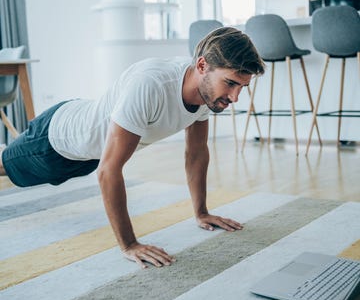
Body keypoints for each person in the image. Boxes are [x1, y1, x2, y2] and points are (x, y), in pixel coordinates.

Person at [0, 27, 265, 269]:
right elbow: (109, 171)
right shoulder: (151, 84)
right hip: (54, 140)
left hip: (90, 154)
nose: (234, 97)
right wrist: (129, 245)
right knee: (6, 169)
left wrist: (202, 212)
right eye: (230, 83)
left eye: (243, 86)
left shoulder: (207, 95)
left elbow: (196, 153)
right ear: (202, 65)